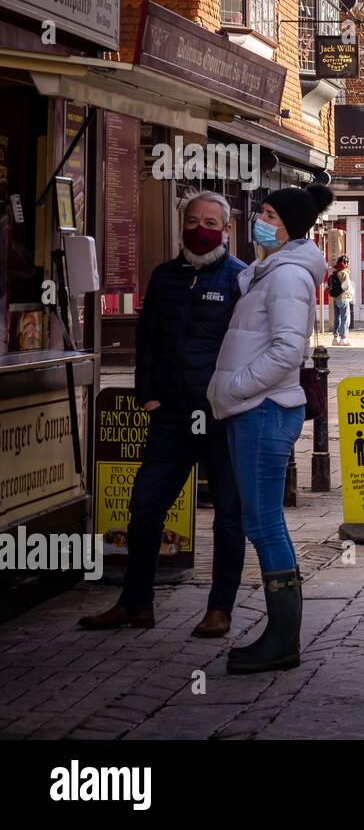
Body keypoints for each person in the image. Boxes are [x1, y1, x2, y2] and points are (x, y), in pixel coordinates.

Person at [78, 191, 247, 638]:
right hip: (171, 413)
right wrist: (147, 394)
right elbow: (147, 337)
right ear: (181, 225)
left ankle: (220, 609)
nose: (200, 229)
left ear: (226, 229)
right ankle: (136, 603)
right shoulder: (164, 276)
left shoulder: (239, 279)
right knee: (145, 506)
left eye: (210, 221)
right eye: (192, 221)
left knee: (229, 512)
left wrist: (233, 398)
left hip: (219, 415)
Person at [207, 183, 332, 673]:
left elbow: (285, 351)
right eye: (261, 212)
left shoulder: (286, 278)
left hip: (264, 408)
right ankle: (280, 635)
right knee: (260, 520)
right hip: (253, 408)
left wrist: (235, 387)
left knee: (263, 522)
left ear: (289, 226)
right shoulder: (269, 273)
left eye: (269, 214)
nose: (259, 219)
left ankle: (283, 638)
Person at [327, 256, 354, 346]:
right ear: (345, 263)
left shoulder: (335, 272)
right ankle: (343, 338)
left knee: (337, 318)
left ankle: (335, 338)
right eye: (347, 262)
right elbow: (345, 286)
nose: (348, 264)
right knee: (345, 318)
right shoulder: (344, 273)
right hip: (343, 298)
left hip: (335, 298)